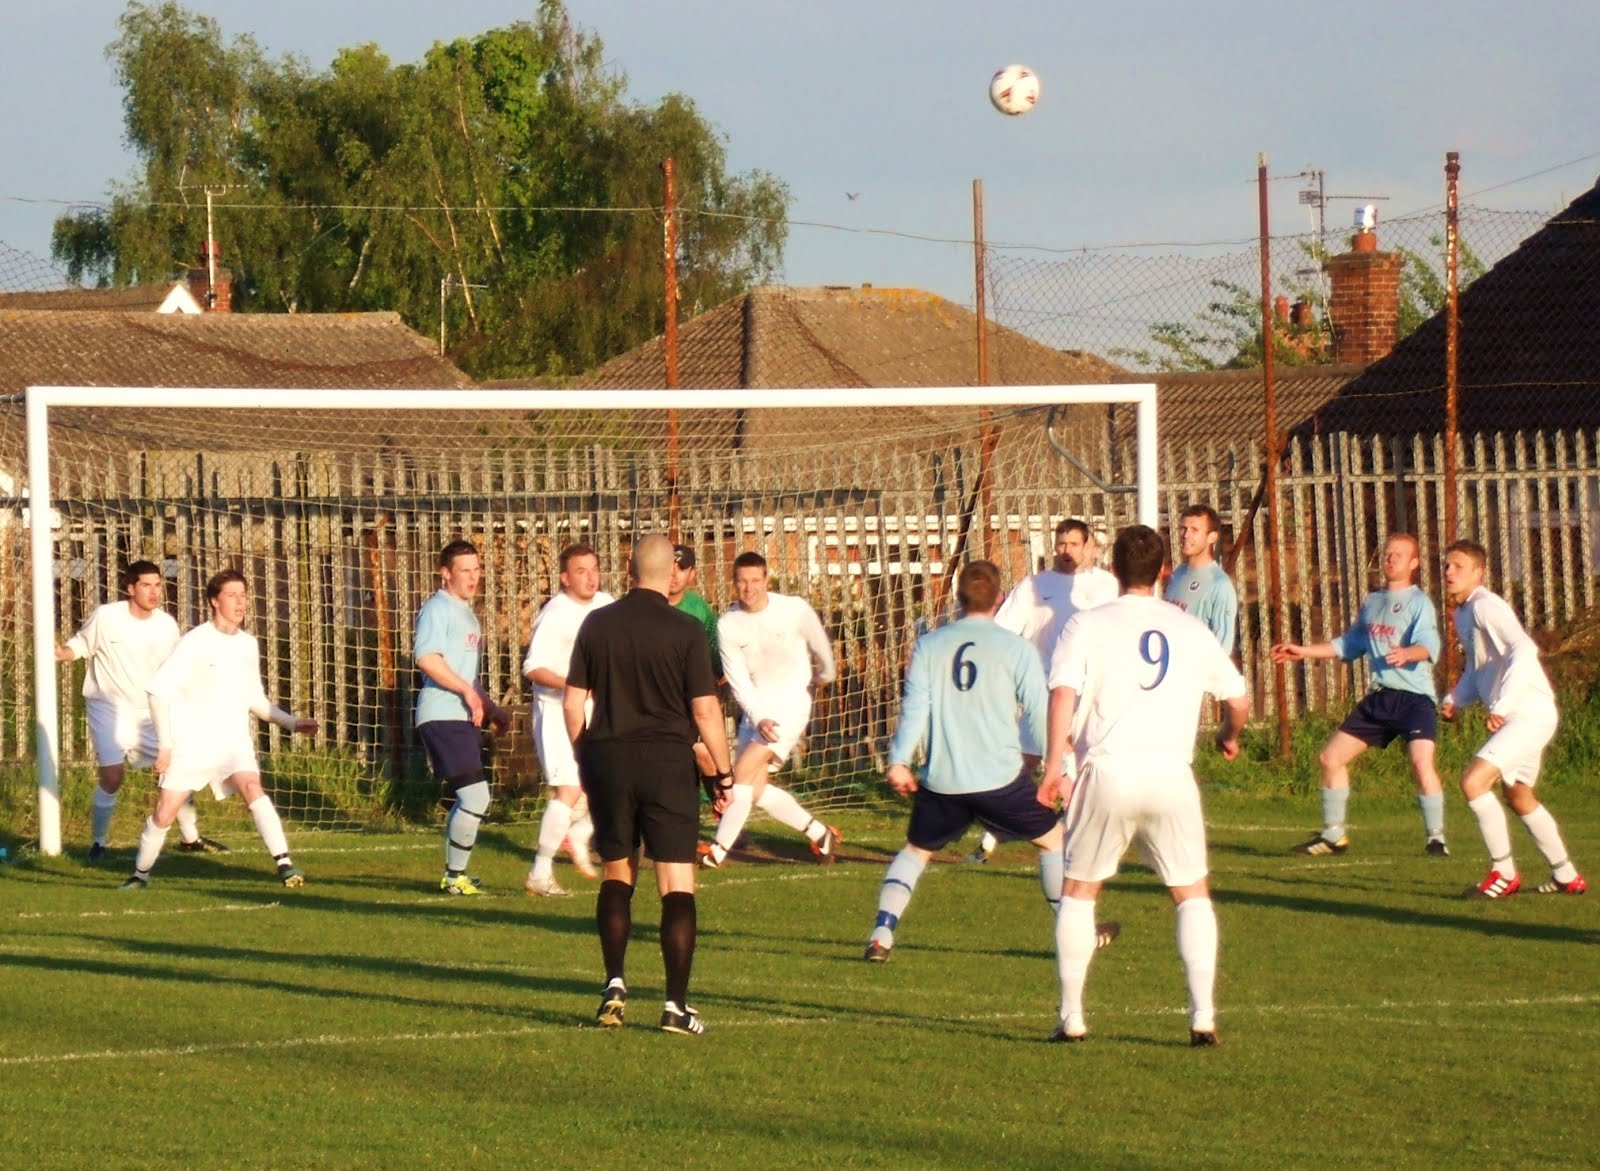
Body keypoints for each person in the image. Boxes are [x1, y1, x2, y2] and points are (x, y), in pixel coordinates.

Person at [1040, 525, 1250, 1046]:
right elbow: (1238, 698)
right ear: (1162, 572)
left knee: (1079, 891)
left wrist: (1051, 766)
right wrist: (1229, 733)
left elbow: (1063, 693)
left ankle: (1072, 1017)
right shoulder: (1187, 627)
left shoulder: (1087, 625)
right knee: (1191, 893)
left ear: (1112, 569)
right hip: (1171, 776)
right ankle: (1202, 1017)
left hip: (1107, 771)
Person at [864, 560, 1118, 962]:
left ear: (957, 598)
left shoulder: (930, 645)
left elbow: (914, 708)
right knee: (1054, 841)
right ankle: (1076, 934)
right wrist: (1060, 764)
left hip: (944, 779)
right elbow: (1039, 712)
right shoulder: (1015, 648)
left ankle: (881, 934)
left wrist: (898, 760)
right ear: (999, 598)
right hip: (999, 779)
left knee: (915, 850)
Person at [565, 534, 733, 1035]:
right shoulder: (685, 630)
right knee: (676, 883)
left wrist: (587, 756)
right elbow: (705, 710)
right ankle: (675, 1007)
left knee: (619, 873)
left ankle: (614, 983)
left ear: (629, 568)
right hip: (666, 762)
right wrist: (721, 775)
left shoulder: (596, 623)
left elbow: (574, 704)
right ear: (672, 572)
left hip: (609, 759)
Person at [120, 569, 317, 890]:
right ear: (214, 601)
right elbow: (157, 691)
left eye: (243, 595)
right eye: (232, 595)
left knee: (253, 788)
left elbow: (255, 698)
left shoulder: (248, 644)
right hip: (192, 744)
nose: (240, 602)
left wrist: (293, 723)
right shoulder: (195, 641)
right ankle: (139, 875)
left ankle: (285, 864)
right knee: (165, 813)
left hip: (233, 742)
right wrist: (166, 746)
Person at [1271, 533, 1449, 856]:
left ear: (1414, 563)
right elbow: (1347, 645)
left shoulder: (1419, 602)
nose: (1391, 558)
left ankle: (1436, 839)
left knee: (1421, 761)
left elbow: (1430, 646)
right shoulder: (1373, 602)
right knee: (1330, 758)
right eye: (1388, 553)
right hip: (1381, 697)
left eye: (1399, 554)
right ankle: (1333, 836)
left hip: (1414, 699)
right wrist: (1302, 651)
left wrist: (1409, 654)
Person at [967, 518, 1117, 864]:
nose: (1066, 551)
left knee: (1078, 763)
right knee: (1022, 766)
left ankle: (1075, 839)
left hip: (1091, 690)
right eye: (1061, 544)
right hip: (1043, 690)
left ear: (1089, 546)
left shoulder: (1106, 586)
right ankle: (997, 833)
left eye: (1074, 544)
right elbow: (1004, 629)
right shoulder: (1035, 586)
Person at [1441, 540, 1585, 898]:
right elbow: (1480, 669)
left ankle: (1504, 873)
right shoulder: (1463, 613)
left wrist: (1503, 706)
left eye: (1458, 566)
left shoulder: (1486, 605)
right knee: (1519, 796)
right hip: (1523, 714)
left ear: (1478, 572)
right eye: (1446, 566)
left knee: (1473, 782)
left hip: (1528, 713)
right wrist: (1454, 699)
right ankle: (1566, 875)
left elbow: (1524, 648)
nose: (1448, 572)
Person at [55, 560, 226, 861]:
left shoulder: (166, 624)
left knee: (178, 769)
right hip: (109, 708)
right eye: (146, 585)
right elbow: (81, 645)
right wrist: (63, 653)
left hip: (150, 711)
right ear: (130, 588)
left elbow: (176, 669)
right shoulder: (106, 617)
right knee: (113, 776)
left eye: (158, 585)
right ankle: (98, 842)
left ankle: (190, 838)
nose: (154, 591)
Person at [701, 552, 840, 868]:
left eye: (754, 581)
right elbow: (737, 679)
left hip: (791, 706)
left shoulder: (793, 609)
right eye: (741, 582)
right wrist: (758, 715)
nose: (748, 589)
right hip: (757, 711)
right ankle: (820, 834)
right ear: (733, 584)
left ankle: (717, 851)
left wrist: (826, 674)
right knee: (756, 789)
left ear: (766, 580)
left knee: (742, 775)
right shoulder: (728, 624)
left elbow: (820, 645)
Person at [414, 539, 511, 896]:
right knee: (475, 797)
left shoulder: (467, 614)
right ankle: (454, 877)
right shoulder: (436, 609)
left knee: (474, 797)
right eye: (465, 571)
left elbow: (466, 675)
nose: (474, 577)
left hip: (461, 715)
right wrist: (468, 694)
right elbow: (427, 658)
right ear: (445, 574)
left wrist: (490, 706)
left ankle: (457, 873)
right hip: (441, 714)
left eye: (477, 569)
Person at [522, 543, 614, 896]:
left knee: (614, 780)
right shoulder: (555, 613)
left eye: (594, 569)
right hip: (557, 711)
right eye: (581, 571)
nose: (590, 577)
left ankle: (579, 833)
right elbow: (532, 667)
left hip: (595, 710)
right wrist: (574, 684)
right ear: (564, 578)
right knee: (570, 789)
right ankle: (540, 873)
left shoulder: (607, 605)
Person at [669, 543, 726, 783]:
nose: (673, 574)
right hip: (656, 701)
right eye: (669, 567)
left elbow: (715, 650)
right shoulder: (644, 606)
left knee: (705, 756)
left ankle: (720, 806)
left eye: (681, 568)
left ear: (692, 574)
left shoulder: (699, 610)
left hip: (690, 700)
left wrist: (720, 677)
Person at [1163, 505, 1239, 653]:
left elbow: (1222, 648)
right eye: (1184, 528)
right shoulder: (1178, 574)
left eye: (1194, 530)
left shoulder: (1219, 584)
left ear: (1212, 537)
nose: (1186, 535)